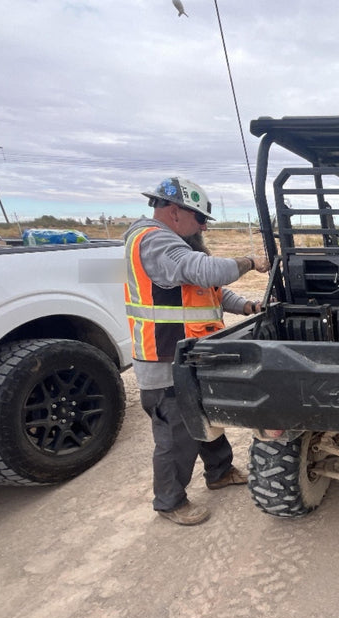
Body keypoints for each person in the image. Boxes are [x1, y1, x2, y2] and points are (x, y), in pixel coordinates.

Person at [124, 176, 271, 526]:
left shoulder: (173, 243)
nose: (202, 227)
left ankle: (219, 473)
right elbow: (204, 272)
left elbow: (210, 293)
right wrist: (250, 261)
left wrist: (248, 306)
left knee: (206, 417)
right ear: (175, 212)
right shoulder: (153, 241)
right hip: (164, 361)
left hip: (192, 355)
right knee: (176, 434)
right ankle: (170, 501)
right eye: (201, 219)